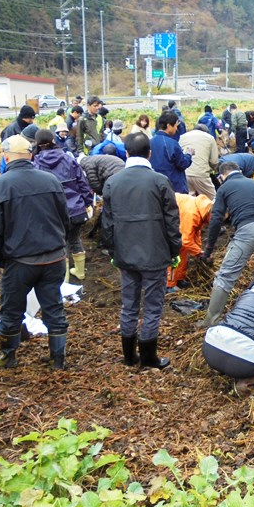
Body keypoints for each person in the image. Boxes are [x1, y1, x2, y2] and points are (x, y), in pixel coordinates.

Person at [0, 134, 70, 370]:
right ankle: (57, 360)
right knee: (54, 307)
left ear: (5, 156)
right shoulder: (50, 180)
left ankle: (7, 356)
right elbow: (65, 218)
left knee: (11, 309)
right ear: (30, 155)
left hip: (20, 261)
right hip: (54, 258)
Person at [102, 132, 181, 370]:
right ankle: (148, 356)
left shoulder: (113, 182)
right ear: (149, 153)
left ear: (125, 153)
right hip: (155, 254)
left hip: (125, 254)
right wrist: (174, 249)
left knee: (129, 305)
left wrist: (113, 252)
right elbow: (172, 221)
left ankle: (128, 356)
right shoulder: (159, 181)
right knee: (154, 305)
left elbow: (107, 224)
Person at [199, 161, 254, 327]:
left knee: (225, 276)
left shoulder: (224, 188)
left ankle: (210, 320)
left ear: (222, 176)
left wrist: (209, 249)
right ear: (239, 171)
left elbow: (216, 219)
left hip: (248, 231)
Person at [32, 130, 93, 283]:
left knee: (61, 243)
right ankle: (80, 272)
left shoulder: (36, 164)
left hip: (54, 212)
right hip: (76, 210)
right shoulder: (68, 158)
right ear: (53, 140)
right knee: (74, 239)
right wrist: (88, 202)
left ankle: (64, 279)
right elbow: (82, 183)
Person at [167, 193, 213, 292]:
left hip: (178, 222)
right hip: (168, 222)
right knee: (176, 251)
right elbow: (186, 240)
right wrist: (199, 253)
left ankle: (179, 278)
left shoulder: (203, 209)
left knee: (184, 250)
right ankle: (169, 284)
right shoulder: (192, 214)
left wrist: (199, 250)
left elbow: (195, 233)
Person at [150, 111, 192, 193]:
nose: (176, 129)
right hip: (173, 186)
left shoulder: (149, 142)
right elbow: (182, 163)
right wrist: (188, 154)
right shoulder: (171, 143)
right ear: (169, 125)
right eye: (176, 126)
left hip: (155, 185)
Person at [180, 123, 220, 200]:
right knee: (212, 200)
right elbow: (214, 162)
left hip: (184, 174)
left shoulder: (182, 137)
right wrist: (213, 169)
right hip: (201, 174)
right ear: (206, 132)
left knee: (190, 202)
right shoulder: (210, 138)